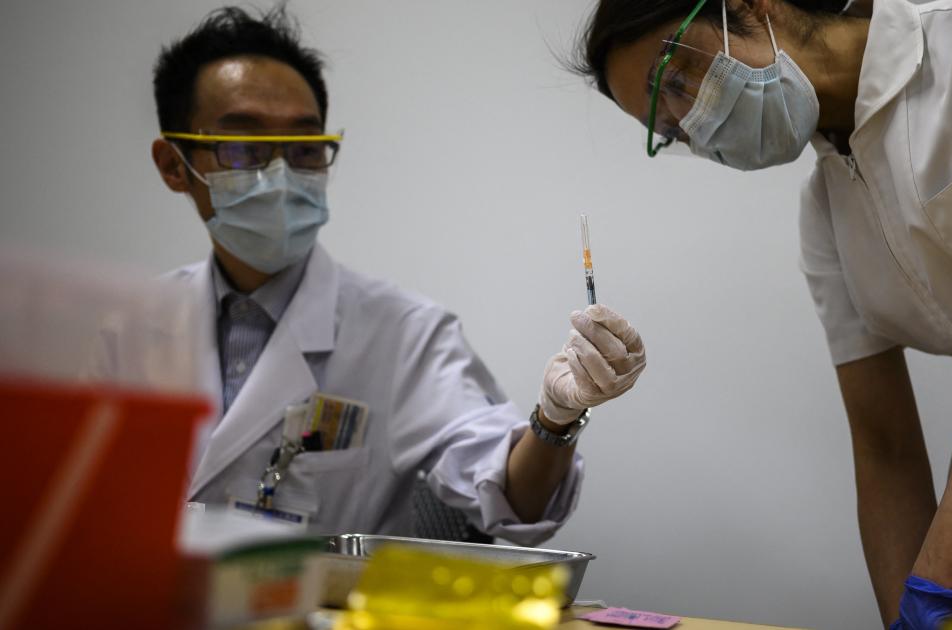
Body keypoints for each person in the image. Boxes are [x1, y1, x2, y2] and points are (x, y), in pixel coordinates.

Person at [572, 0, 952, 626]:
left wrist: (934, 587)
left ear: (746, 5)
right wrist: (907, 608)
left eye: (675, 81)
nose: (693, 122)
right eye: (672, 127)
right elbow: (885, 446)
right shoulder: (827, 208)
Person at [92, 6, 647, 547]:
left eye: (305, 149)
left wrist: (555, 418)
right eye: (245, 148)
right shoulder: (123, 327)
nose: (281, 174)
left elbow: (512, 499)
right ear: (174, 166)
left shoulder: (405, 332)